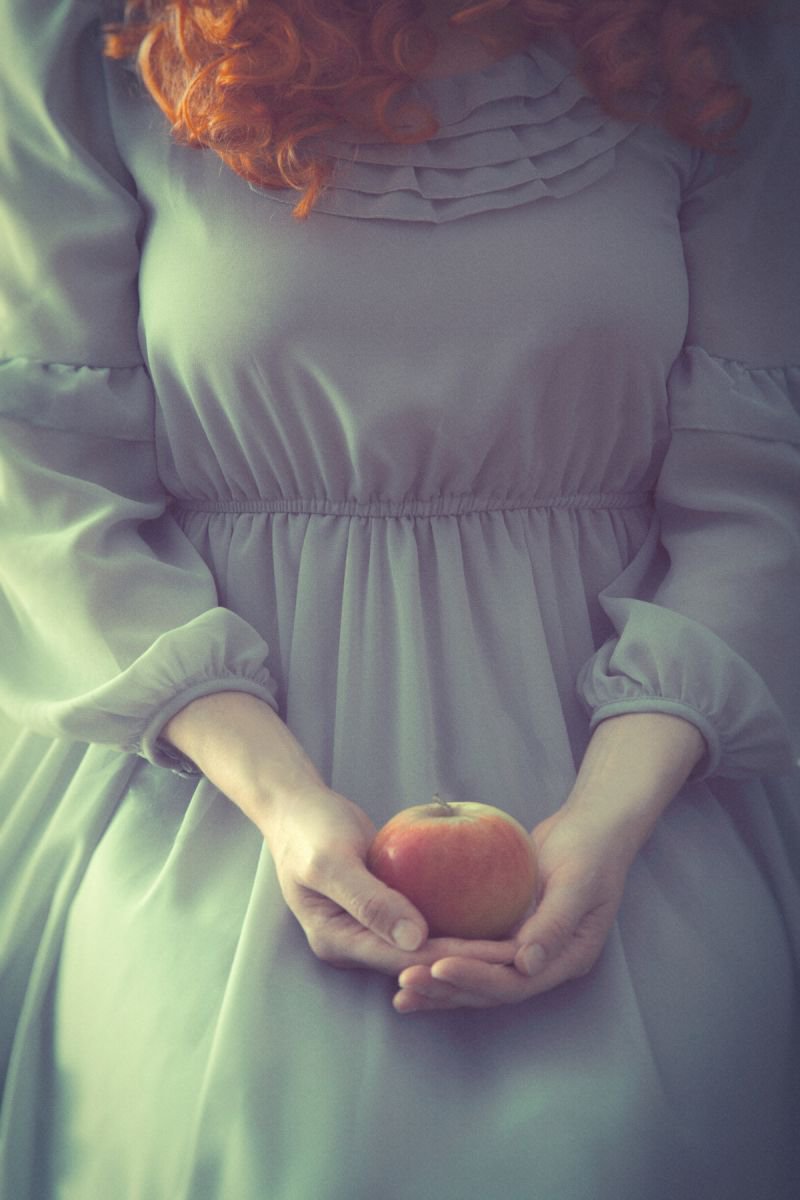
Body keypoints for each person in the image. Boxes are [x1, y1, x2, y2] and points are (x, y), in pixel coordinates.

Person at [1, 0, 798, 1196]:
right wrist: (280, 800)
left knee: (635, 1136)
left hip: (647, 756)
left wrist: (609, 819)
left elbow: (759, 481)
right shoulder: (79, 39)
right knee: (247, 1130)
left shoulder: (726, 40)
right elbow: (42, 472)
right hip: (203, 752)